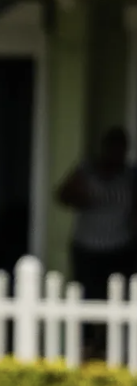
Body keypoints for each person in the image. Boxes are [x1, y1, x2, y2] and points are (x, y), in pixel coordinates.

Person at [56, 127, 137, 302]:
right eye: (112, 147)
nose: (116, 153)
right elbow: (61, 195)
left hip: (120, 247)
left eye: (121, 148)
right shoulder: (86, 171)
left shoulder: (130, 175)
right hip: (87, 247)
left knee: (118, 297)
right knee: (87, 297)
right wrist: (82, 198)